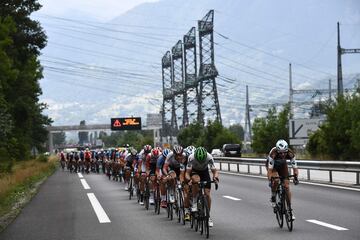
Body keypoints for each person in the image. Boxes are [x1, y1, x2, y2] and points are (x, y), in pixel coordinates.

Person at [185, 147, 219, 227]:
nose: (200, 162)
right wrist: (189, 179)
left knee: (207, 194)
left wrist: (215, 177)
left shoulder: (209, 157)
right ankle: (194, 202)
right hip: (194, 171)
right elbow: (187, 173)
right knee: (196, 180)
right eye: (198, 160)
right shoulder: (191, 158)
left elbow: (215, 171)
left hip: (204, 172)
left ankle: (208, 216)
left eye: (202, 160)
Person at [266, 139, 299, 220]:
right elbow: (270, 170)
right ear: (277, 150)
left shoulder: (290, 153)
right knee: (276, 180)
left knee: (287, 187)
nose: (283, 154)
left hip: (282, 165)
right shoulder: (273, 153)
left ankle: (289, 211)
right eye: (281, 152)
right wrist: (270, 179)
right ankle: (273, 197)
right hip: (273, 166)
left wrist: (295, 177)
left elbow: (295, 168)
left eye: (285, 152)